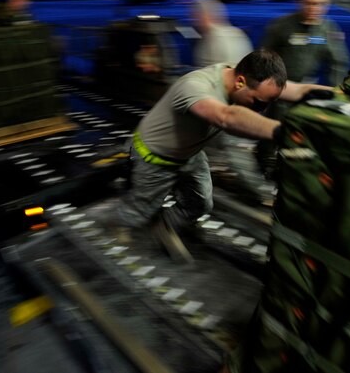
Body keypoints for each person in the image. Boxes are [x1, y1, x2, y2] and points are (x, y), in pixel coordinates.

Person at [113, 48, 333, 263]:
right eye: (259, 103)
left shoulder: (247, 78)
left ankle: (165, 224)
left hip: (189, 152)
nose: (262, 110)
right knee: (139, 211)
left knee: (200, 203)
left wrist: (343, 97)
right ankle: (117, 240)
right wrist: (286, 133)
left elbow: (299, 91)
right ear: (240, 82)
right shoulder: (196, 86)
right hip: (154, 157)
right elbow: (226, 117)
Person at [191, 0, 272, 205]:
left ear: (205, 16)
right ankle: (208, 176)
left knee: (234, 148)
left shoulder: (213, 39)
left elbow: (218, 77)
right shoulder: (236, 34)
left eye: (196, 16)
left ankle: (261, 192)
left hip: (230, 104)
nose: (194, 20)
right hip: (245, 99)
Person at [261, 0, 350, 86]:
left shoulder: (330, 28)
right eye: (309, 3)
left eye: (321, 4)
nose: (315, 9)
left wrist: (336, 89)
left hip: (308, 86)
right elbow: (263, 56)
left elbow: (338, 62)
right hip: (280, 85)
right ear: (299, 2)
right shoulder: (281, 25)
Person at [191, 0, 253, 68]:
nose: (194, 21)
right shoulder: (238, 32)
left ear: (204, 16)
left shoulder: (212, 36)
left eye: (195, 17)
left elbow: (212, 71)